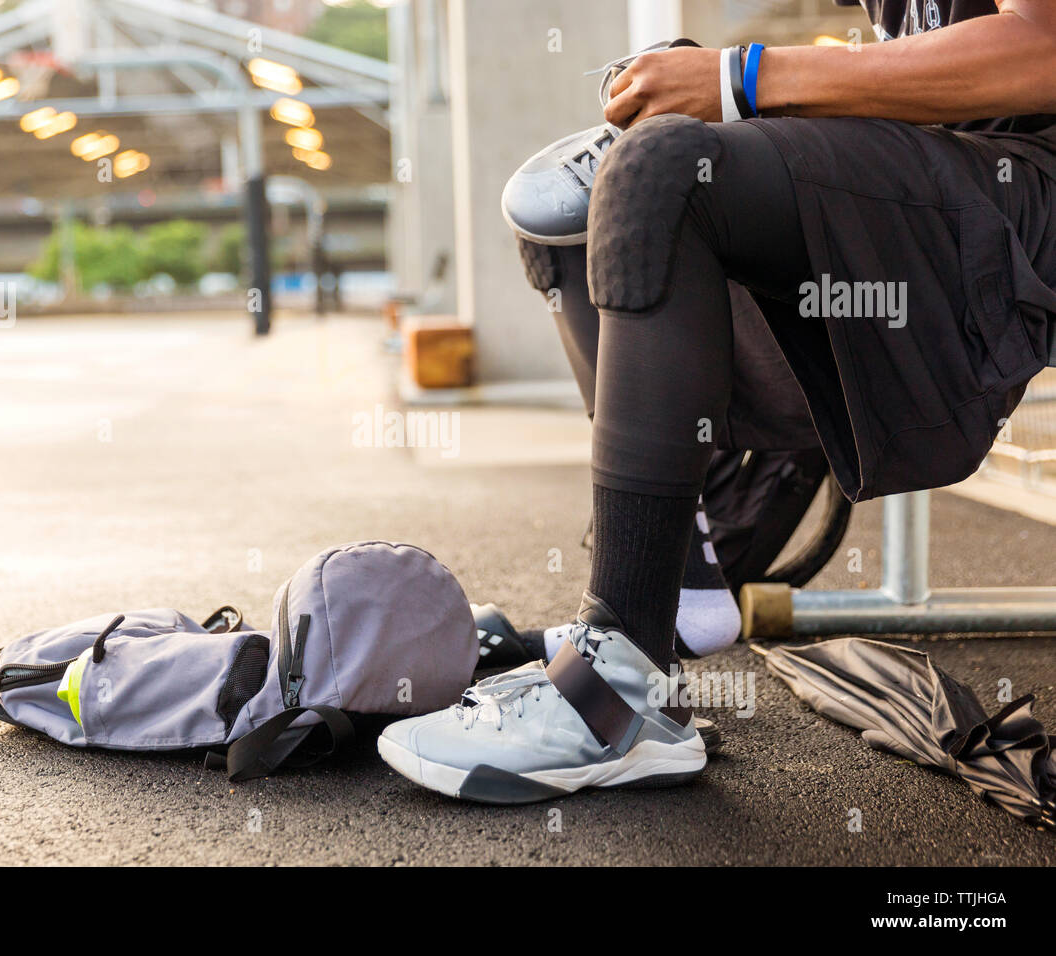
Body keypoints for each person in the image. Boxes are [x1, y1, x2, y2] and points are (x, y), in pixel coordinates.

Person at [377, 0, 1056, 804]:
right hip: (939, 187)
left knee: (660, 171)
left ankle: (617, 687)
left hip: (1021, 206)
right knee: (568, 197)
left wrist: (747, 79)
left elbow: (1042, 48)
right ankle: (662, 606)